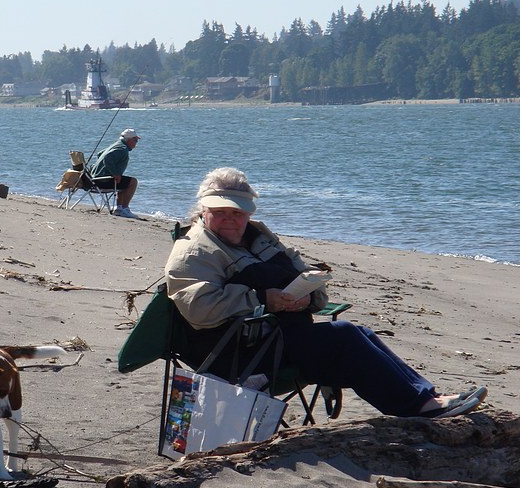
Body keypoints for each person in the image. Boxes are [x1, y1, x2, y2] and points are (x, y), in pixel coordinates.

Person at [164, 167, 487, 418]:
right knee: (344, 337)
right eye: (221, 212)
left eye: (238, 212)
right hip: (240, 353)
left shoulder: (259, 237)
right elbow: (199, 308)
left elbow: (307, 276)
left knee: (359, 333)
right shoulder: (195, 251)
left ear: (249, 213)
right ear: (203, 210)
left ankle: (427, 397)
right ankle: (416, 406)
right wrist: (264, 300)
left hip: (277, 339)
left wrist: (308, 297)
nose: (230, 220)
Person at [90, 128, 140, 219]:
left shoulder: (116, 145)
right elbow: (107, 158)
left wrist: (106, 170)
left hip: (94, 179)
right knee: (133, 182)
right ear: (128, 140)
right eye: (135, 140)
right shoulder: (122, 149)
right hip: (102, 181)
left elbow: (99, 154)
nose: (136, 143)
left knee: (123, 182)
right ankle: (125, 209)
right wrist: (115, 173)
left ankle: (119, 209)